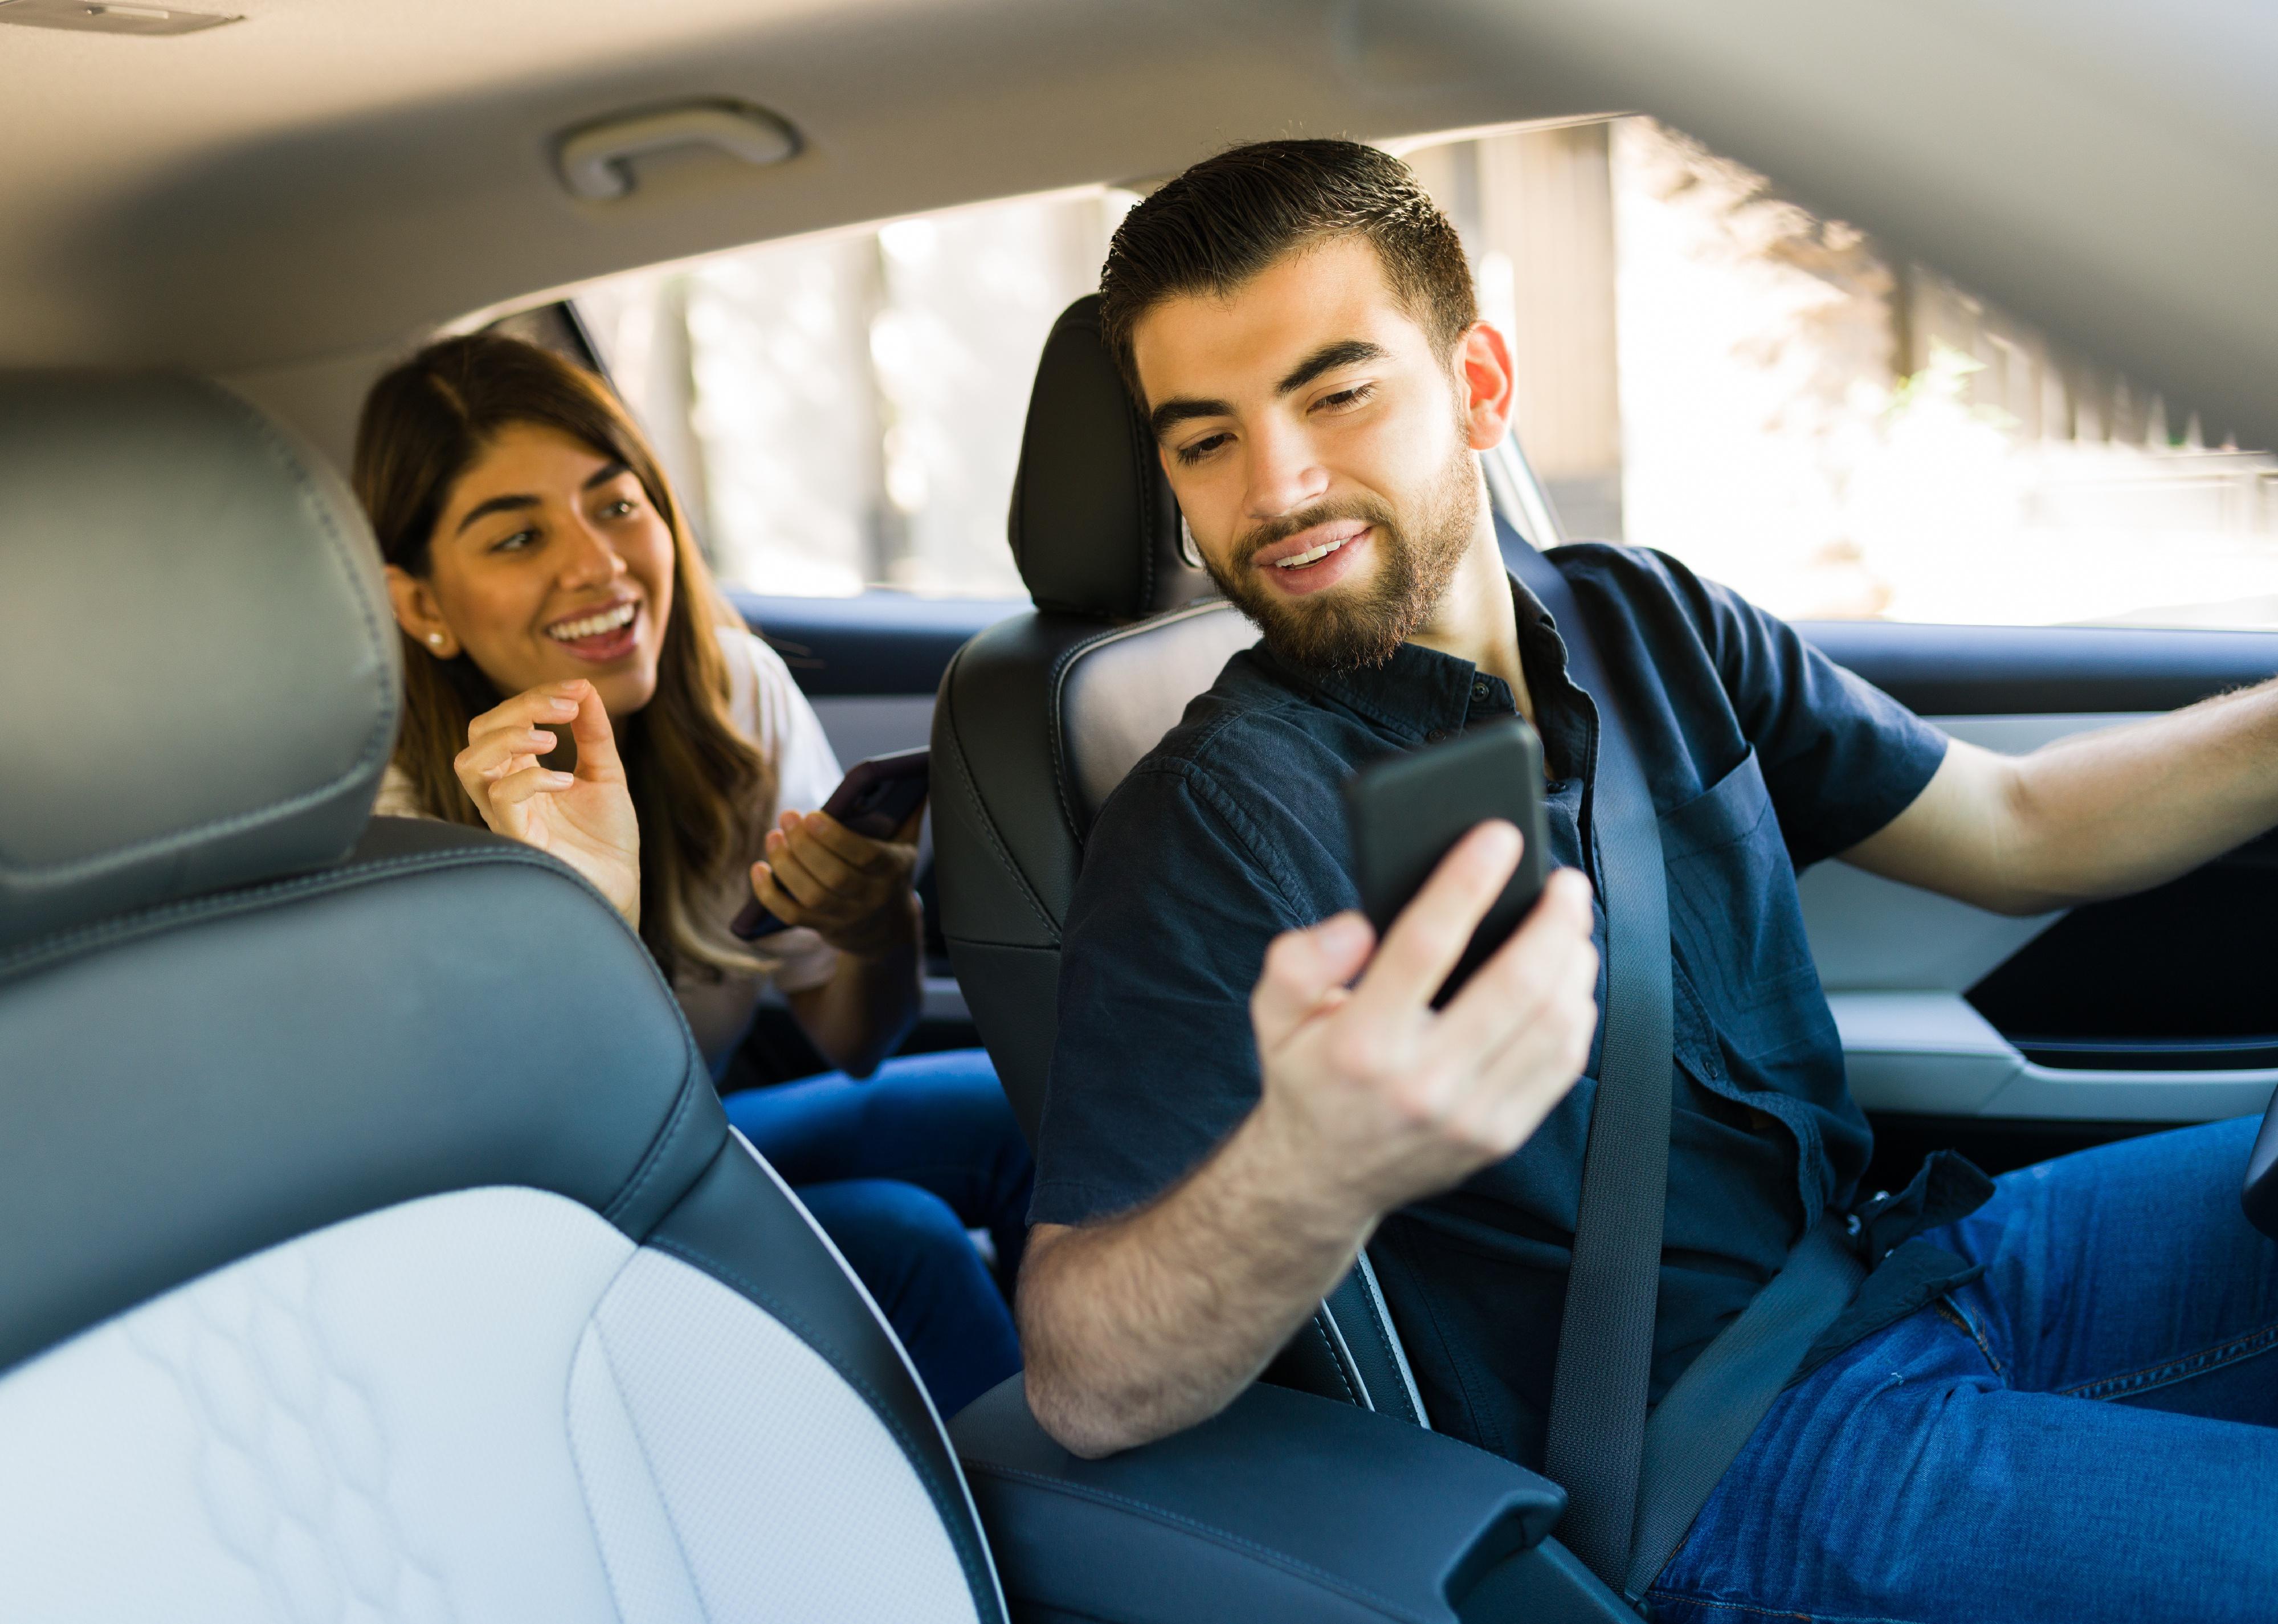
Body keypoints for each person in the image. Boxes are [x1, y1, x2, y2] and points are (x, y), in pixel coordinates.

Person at [1016, 140, 2278, 1622]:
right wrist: (1321, 1160)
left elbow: (2012, 826)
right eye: (1203, 436)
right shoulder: (1216, 819)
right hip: (1731, 1462)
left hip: (1912, 1263)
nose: (1278, 485)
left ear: (1478, 385)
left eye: (1335, 391)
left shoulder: (1642, 619)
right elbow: (1082, 1374)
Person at [355, 333, 1028, 1418]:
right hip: (528, 1230)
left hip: (686, 1143)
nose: (599, 563)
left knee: (1024, 1103)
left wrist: (870, 922)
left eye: (617, 504)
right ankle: (1044, 1567)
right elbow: (525, 1173)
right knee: (906, 1240)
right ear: (421, 602)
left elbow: (857, 1042)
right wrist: (580, 913)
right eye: (519, 535)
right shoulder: (387, 816)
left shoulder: (730, 695)